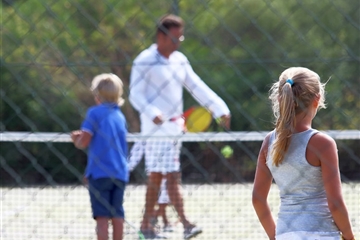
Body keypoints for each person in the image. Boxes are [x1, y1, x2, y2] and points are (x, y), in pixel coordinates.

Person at [129, 14, 231, 239]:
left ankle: (178, 224)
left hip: (175, 130)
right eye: (175, 38)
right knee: (158, 176)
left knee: (172, 175)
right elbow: (134, 94)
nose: (178, 42)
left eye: (180, 38)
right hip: (154, 131)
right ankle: (156, 226)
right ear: (160, 36)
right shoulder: (144, 60)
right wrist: (153, 113)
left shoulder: (180, 60)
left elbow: (197, 86)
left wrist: (220, 108)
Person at [252, 67, 355, 240]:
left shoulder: (269, 142)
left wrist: (276, 236)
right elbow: (335, 204)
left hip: (285, 233)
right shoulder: (323, 143)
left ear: (280, 98)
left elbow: (258, 199)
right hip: (323, 234)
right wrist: (349, 237)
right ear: (317, 99)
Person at [71, 73, 128, 240]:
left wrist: (76, 139)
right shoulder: (120, 116)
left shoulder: (94, 113)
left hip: (100, 174)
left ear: (97, 95)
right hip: (120, 172)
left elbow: (84, 141)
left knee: (102, 216)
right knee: (117, 213)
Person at [128, 141, 174, 233]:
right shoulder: (145, 136)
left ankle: (161, 219)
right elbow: (134, 156)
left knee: (165, 194)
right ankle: (154, 219)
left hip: (167, 164)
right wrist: (126, 169)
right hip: (155, 168)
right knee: (158, 193)